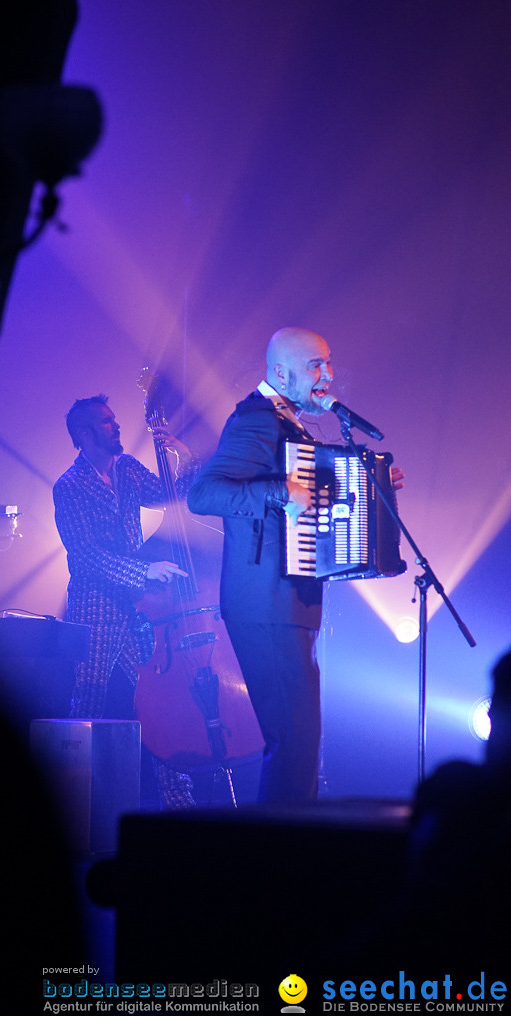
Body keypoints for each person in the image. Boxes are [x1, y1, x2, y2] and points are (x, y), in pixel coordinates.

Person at [187, 326, 403, 807]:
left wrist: (378, 485)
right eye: (315, 365)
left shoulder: (289, 426)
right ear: (280, 371)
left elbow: (320, 498)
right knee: (294, 742)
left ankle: (286, 857)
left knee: (301, 744)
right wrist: (278, 492)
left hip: (289, 601)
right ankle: (277, 863)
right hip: (263, 602)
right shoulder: (255, 421)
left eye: (328, 363)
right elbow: (203, 495)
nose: (327, 375)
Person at [53, 393, 200, 808]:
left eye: (115, 420)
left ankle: (178, 800)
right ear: (84, 434)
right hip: (94, 608)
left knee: (160, 701)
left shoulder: (129, 469)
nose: (117, 427)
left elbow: (171, 496)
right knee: (89, 701)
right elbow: (86, 555)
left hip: (135, 607)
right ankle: (69, 802)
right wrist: (144, 571)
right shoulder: (69, 487)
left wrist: (182, 456)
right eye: (106, 422)